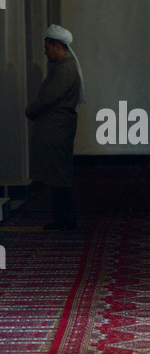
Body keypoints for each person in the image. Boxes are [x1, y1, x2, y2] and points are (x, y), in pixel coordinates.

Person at [25, 24, 85, 231]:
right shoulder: (64, 67)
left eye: (47, 47)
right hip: (57, 128)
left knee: (59, 177)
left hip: (57, 129)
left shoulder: (65, 69)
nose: (45, 52)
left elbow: (49, 97)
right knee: (58, 176)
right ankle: (63, 219)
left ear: (57, 46)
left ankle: (65, 220)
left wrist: (30, 110)